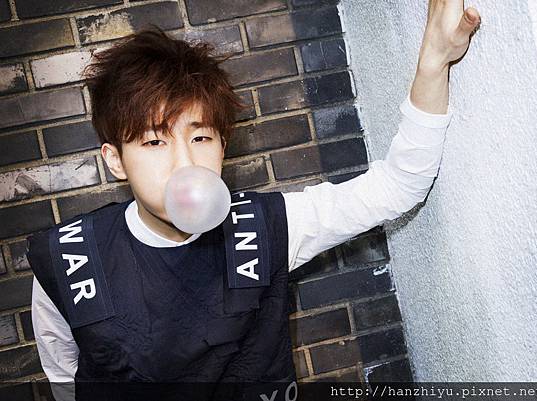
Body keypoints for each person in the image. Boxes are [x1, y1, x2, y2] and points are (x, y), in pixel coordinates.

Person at [27, 1, 481, 400]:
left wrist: (433, 61)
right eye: (154, 142)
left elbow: (397, 186)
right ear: (116, 160)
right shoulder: (69, 257)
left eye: (201, 137)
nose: (185, 164)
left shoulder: (266, 227)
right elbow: (64, 375)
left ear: (223, 146)